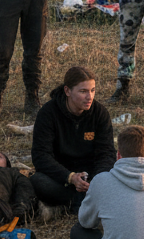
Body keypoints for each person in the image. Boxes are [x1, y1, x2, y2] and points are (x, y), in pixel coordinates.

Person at [31, 66, 116, 215]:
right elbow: (40, 156)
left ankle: (69, 205)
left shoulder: (100, 113)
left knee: (115, 176)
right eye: (83, 91)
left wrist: (96, 181)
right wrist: (70, 177)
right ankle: (85, 202)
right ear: (67, 91)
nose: (89, 97)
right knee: (38, 181)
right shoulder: (48, 113)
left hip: (91, 176)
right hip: (62, 177)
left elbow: (106, 153)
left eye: (92, 90)